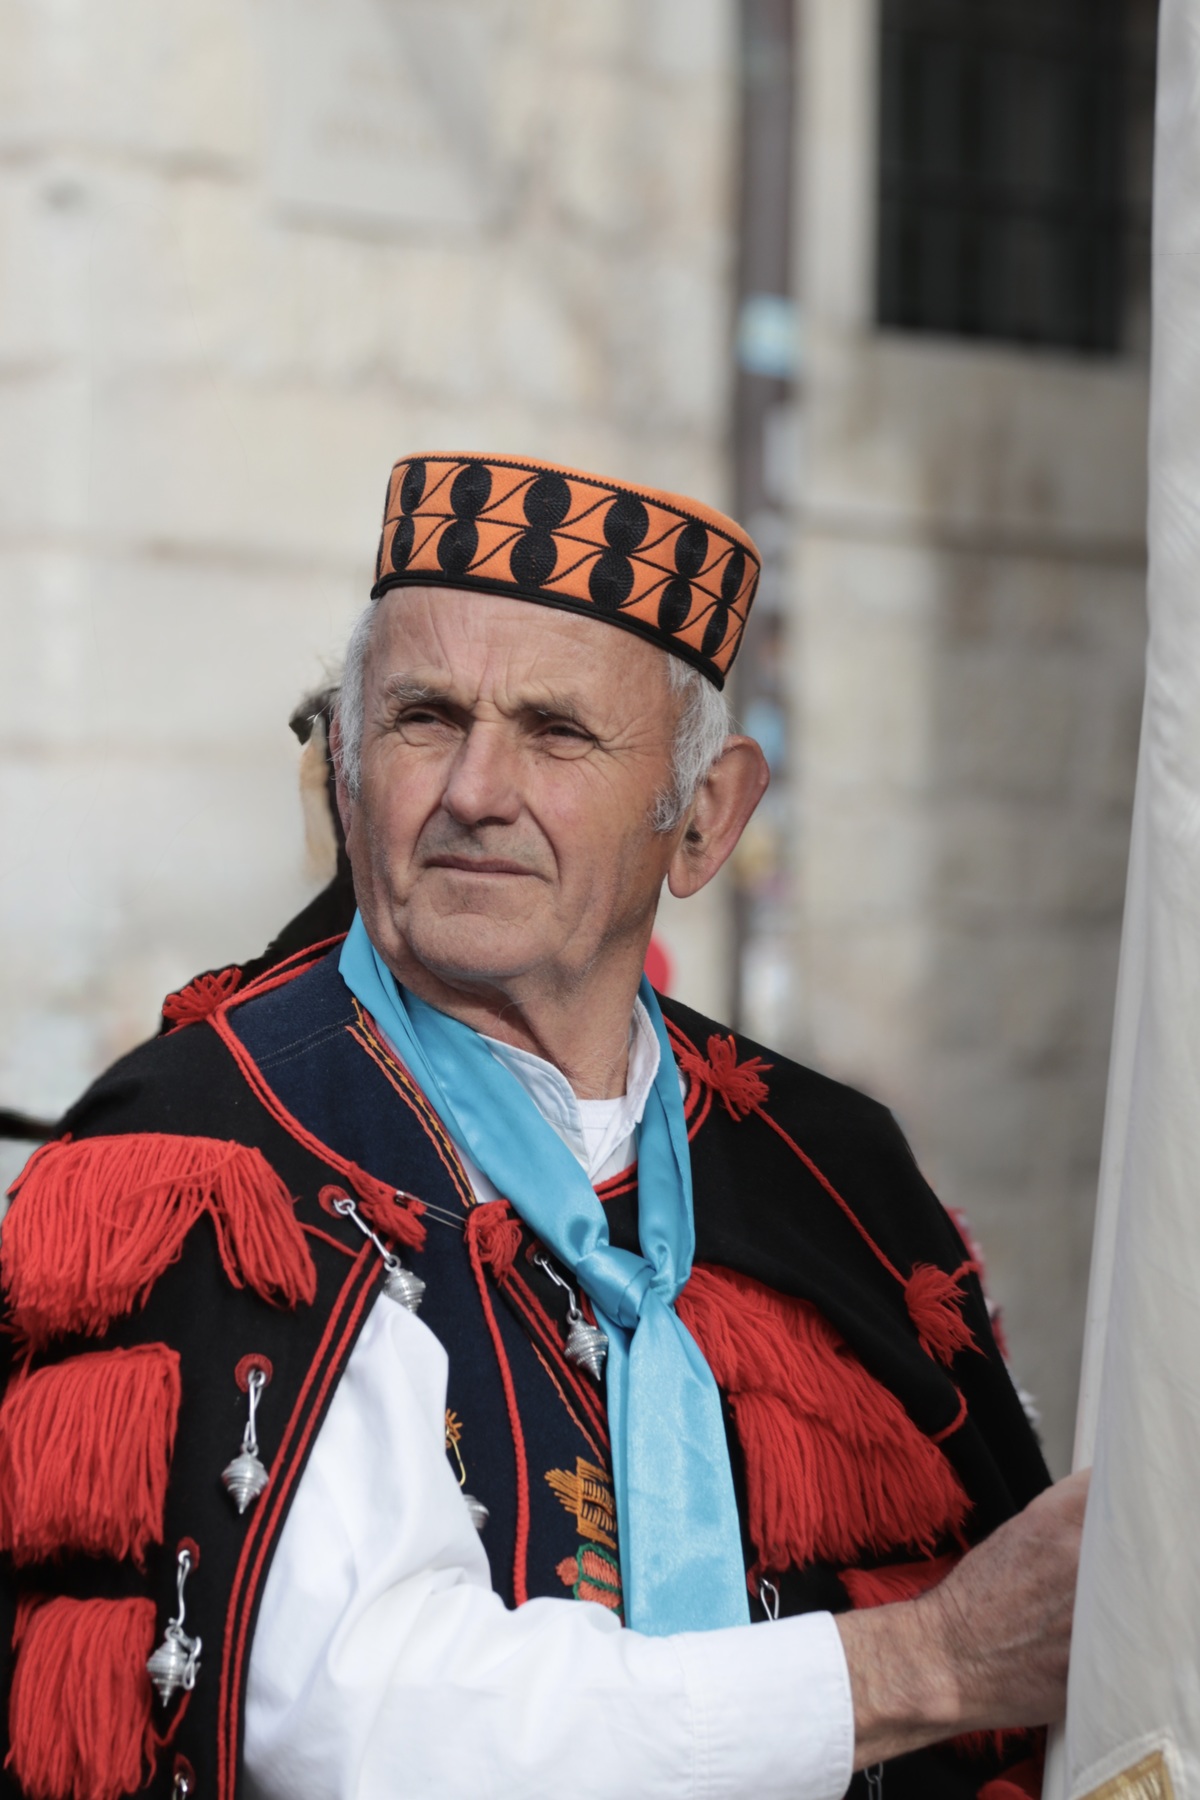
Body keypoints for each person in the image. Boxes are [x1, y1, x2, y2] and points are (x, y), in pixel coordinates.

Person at [0, 453, 1085, 1800]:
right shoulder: (211, 1152)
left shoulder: (833, 1171)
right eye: (424, 718)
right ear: (348, 769)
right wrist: (931, 1663)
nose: (475, 789)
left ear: (703, 820)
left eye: (557, 733)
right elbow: (373, 1727)